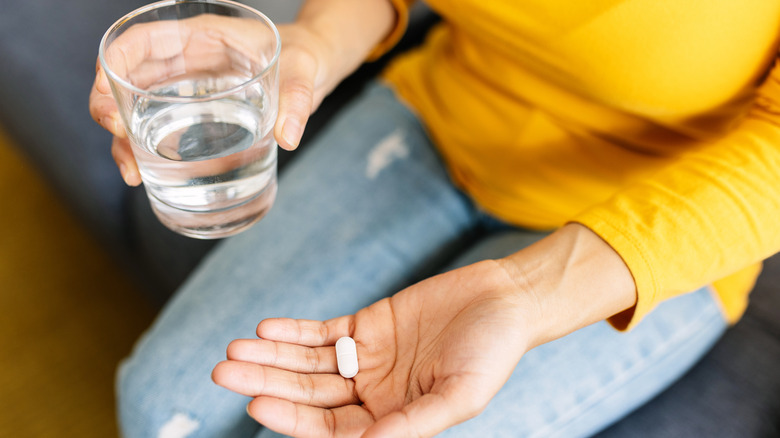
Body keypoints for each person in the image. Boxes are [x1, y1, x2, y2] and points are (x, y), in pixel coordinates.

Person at [89, 0, 780, 436]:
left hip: (658, 225)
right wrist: (315, 42)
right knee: (160, 409)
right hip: (440, 116)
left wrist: (525, 295)